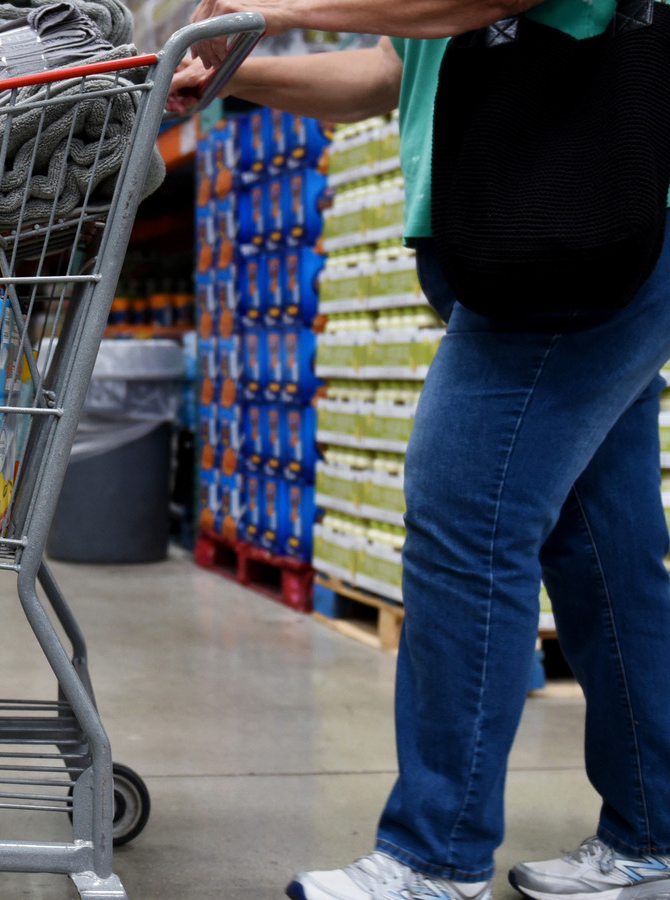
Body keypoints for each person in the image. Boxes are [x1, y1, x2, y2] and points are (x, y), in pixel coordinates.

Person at [168, 8, 670, 900]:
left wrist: (270, 5)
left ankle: (435, 856)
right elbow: (388, 72)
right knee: (603, 553)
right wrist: (232, 76)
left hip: (586, 239)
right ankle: (656, 829)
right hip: (555, 239)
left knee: (465, 521)